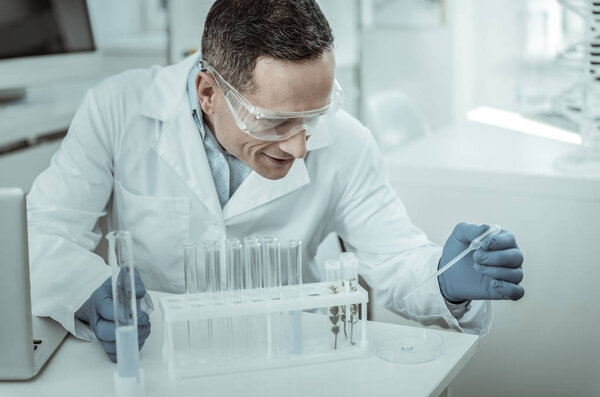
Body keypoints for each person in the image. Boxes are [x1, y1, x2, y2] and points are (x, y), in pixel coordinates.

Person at [27, 0, 524, 362]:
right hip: (161, 361)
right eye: (275, 122)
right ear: (207, 92)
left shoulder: (347, 142)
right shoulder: (117, 111)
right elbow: (42, 231)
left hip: (290, 358)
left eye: (314, 117)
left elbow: (393, 258)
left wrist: (444, 278)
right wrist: (90, 292)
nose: (301, 146)